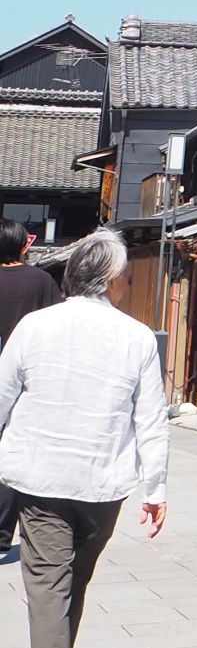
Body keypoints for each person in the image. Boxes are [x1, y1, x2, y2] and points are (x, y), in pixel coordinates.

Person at [0, 228, 168, 648]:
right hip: (104, 484)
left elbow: (2, 395)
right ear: (114, 280)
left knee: (50, 588)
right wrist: (155, 487)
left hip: (43, 476)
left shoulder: (34, 327)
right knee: (68, 588)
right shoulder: (137, 336)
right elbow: (153, 419)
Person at [0, 223, 60, 553]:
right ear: (24, 246)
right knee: (12, 449)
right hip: (26, 376)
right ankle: (2, 531)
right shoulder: (40, 281)